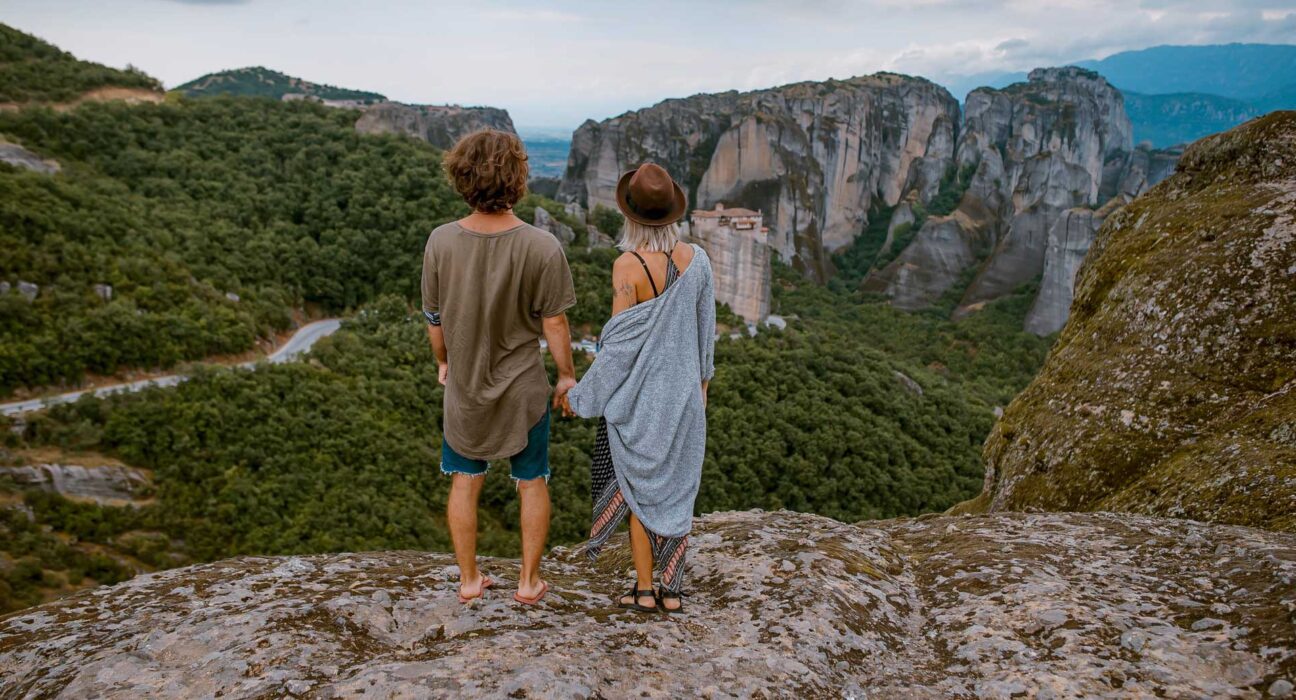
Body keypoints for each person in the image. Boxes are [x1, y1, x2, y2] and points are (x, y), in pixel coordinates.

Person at [422, 129, 577, 606]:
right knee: (532, 481)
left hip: (465, 385)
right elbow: (554, 322)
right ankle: (528, 583)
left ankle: (470, 580)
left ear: (461, 176)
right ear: (517, 178)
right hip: (523, 388)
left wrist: (443, 362)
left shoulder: (440, 241)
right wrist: (567, 375)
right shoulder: (542, 246)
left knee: (464, 480)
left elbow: (434, 319)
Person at [565, 163, 716, 614]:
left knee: (637, 495)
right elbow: (706, 337)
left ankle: (646, 590)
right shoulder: (699, 261)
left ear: (630, 214)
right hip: (685, 399)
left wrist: (580, 398)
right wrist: (701, 392)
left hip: (639, 403)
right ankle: (673, 592)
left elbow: (617, 351)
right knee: (678, 492)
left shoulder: (626, 266)